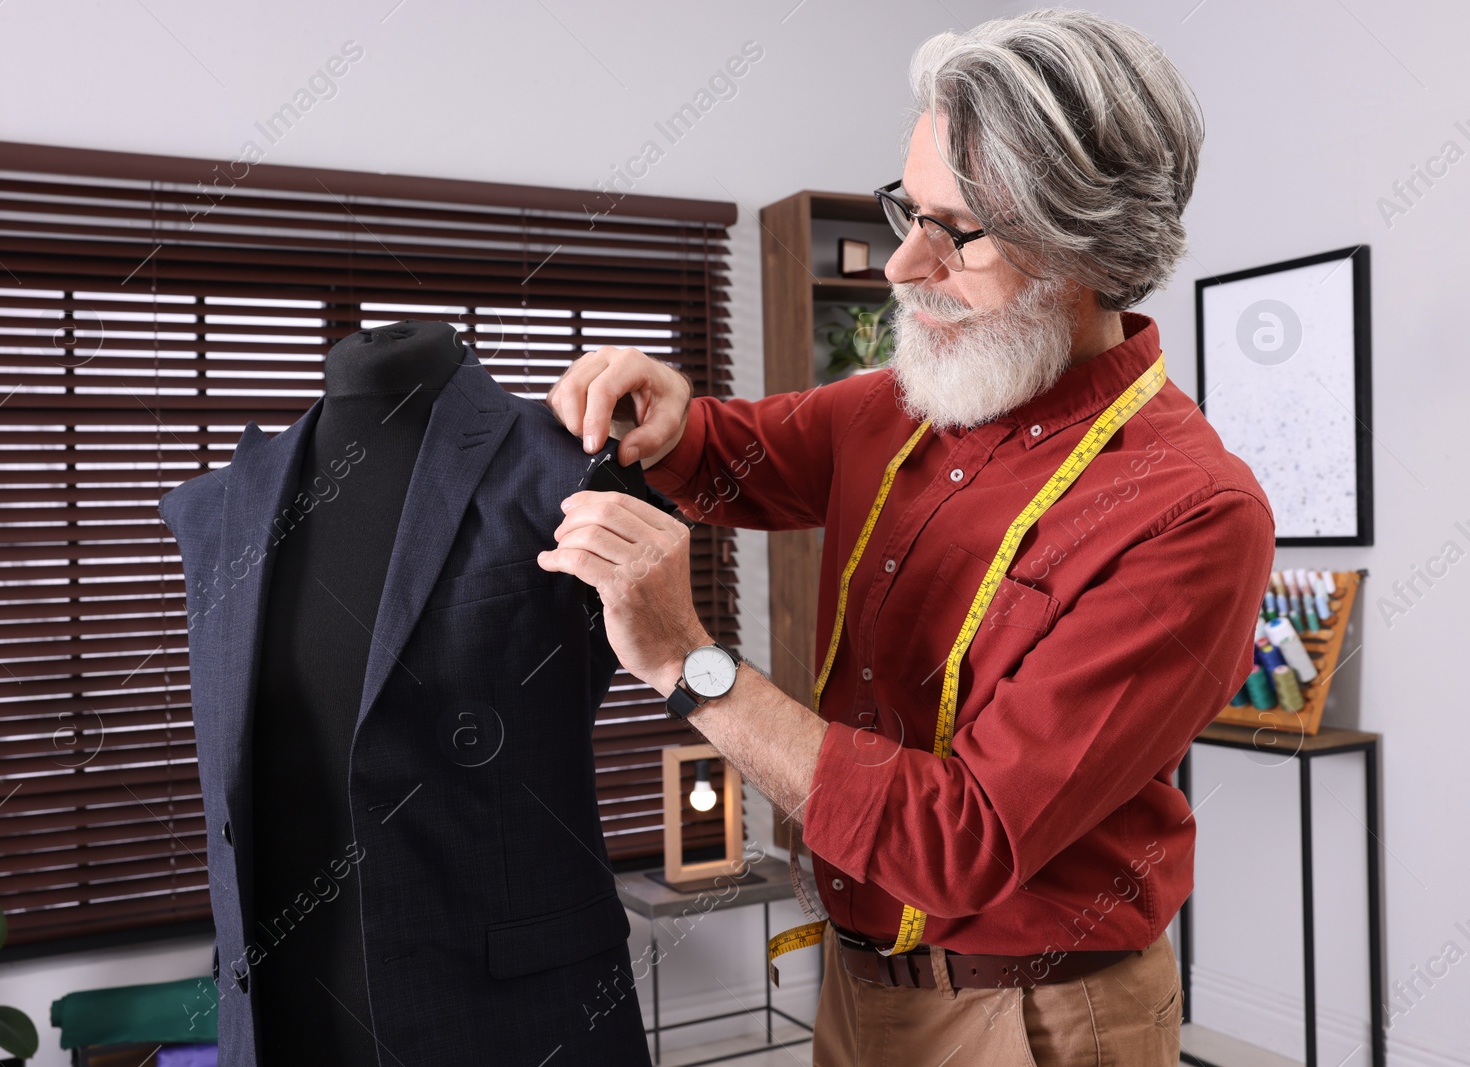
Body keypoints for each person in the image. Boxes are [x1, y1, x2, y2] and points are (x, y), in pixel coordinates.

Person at [539, 9, 1275, 1065]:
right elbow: (723, 448)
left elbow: (959, 841)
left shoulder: (1192, 517)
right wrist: (666, 413)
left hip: (1037, 1022)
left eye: (954, 230)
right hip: (854, 983)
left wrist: (685, 662)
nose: (899, 264)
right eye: (905, 207)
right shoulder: (905, 401)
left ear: (1084, 247)